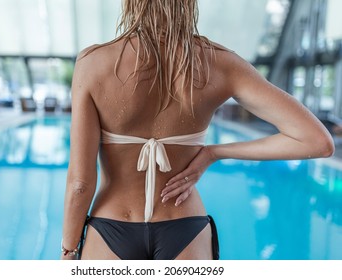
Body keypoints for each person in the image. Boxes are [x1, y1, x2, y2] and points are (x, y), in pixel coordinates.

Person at [61, 0, 334, 260]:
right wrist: (215, 152)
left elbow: (80, 184)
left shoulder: (93, 63)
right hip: (184, 227)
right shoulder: (220, 63)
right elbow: (317, 141)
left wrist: (69, 250)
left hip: (111, 227)